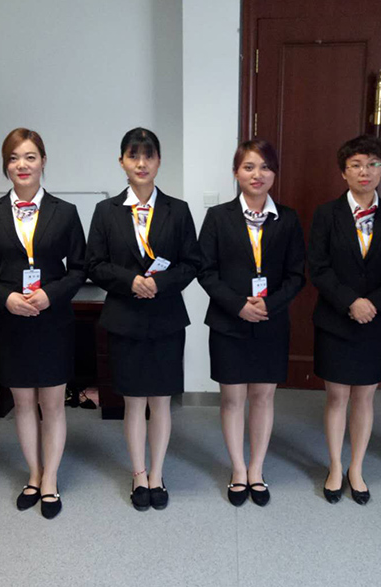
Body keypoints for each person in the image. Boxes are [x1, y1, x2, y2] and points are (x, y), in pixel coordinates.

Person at [86, 127, 200, 511]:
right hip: (125, 318)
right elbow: (94, 264)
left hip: (166, 318)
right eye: (133, 156)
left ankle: (157, 473)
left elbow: (192, 263)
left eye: (148, 155)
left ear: (159, 161)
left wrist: (159, 284)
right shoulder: (106, 211)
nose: (141, 163)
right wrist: (130, 281)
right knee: (134, 402)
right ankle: (138, 473)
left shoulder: (178, 210)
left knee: (161, 401)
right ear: (121, 162)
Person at [0, 128, 86, 518]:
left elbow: (80, 269)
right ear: (5, 165)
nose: (21, 165)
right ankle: (34, 474)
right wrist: (5, 297)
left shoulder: (65, 212)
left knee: (53, 404)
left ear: (43, 161)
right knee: (23, 403)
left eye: (29, 156)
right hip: (11, 319)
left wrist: (50, 295)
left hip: (52, 318)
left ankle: (51, 478)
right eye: (13, 158)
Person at [198, 139, 305, 507]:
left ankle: (257, 469)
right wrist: (237, 306)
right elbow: (206, 271)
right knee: (232, 399)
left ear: (274, 173)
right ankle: (238, 469)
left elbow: (296, 275)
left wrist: (268, 305)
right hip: (228, 323)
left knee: (263, 397)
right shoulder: (218, 217)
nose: (257, 174)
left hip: (271, 323)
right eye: (249, 167)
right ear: (236, 173)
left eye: (265, 167)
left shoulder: (287, 218)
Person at [308, 134, 381, 505]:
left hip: (377, 321)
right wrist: (351, 301)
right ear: (343, 172)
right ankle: (336, 466)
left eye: (372, 164)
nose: (364, 171)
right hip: (336, 319)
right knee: (337, 397)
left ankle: (356, 468)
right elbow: (318, 268)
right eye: (356, 165)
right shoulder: (326, 214)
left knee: (365, 397)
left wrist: (371, 304)